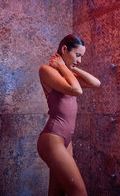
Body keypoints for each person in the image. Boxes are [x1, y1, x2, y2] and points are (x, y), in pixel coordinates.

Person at [37, 34, 101, 196]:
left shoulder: (68, 75)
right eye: (77, 55)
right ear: (64, 49)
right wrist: (64, 67)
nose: (79, 60)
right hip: (52, 139)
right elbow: (77, 90)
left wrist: (70, 67)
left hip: (66, 141)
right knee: (79, 193)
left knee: (57, 193)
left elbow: (96, 83)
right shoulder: (46, 71)